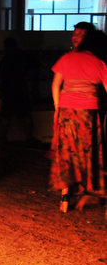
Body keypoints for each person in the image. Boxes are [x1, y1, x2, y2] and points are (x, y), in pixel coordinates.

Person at [50, 27, 107, 213]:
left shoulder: (67, 58)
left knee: (67, 152)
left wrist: (58, 108)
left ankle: (65, 195)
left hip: (67, 111)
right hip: (88, 113)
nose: (76, 38)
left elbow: (56, 84)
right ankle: (88, 189)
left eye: (80, 35)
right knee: (88, 153)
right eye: (74, 34)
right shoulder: (98, 62)